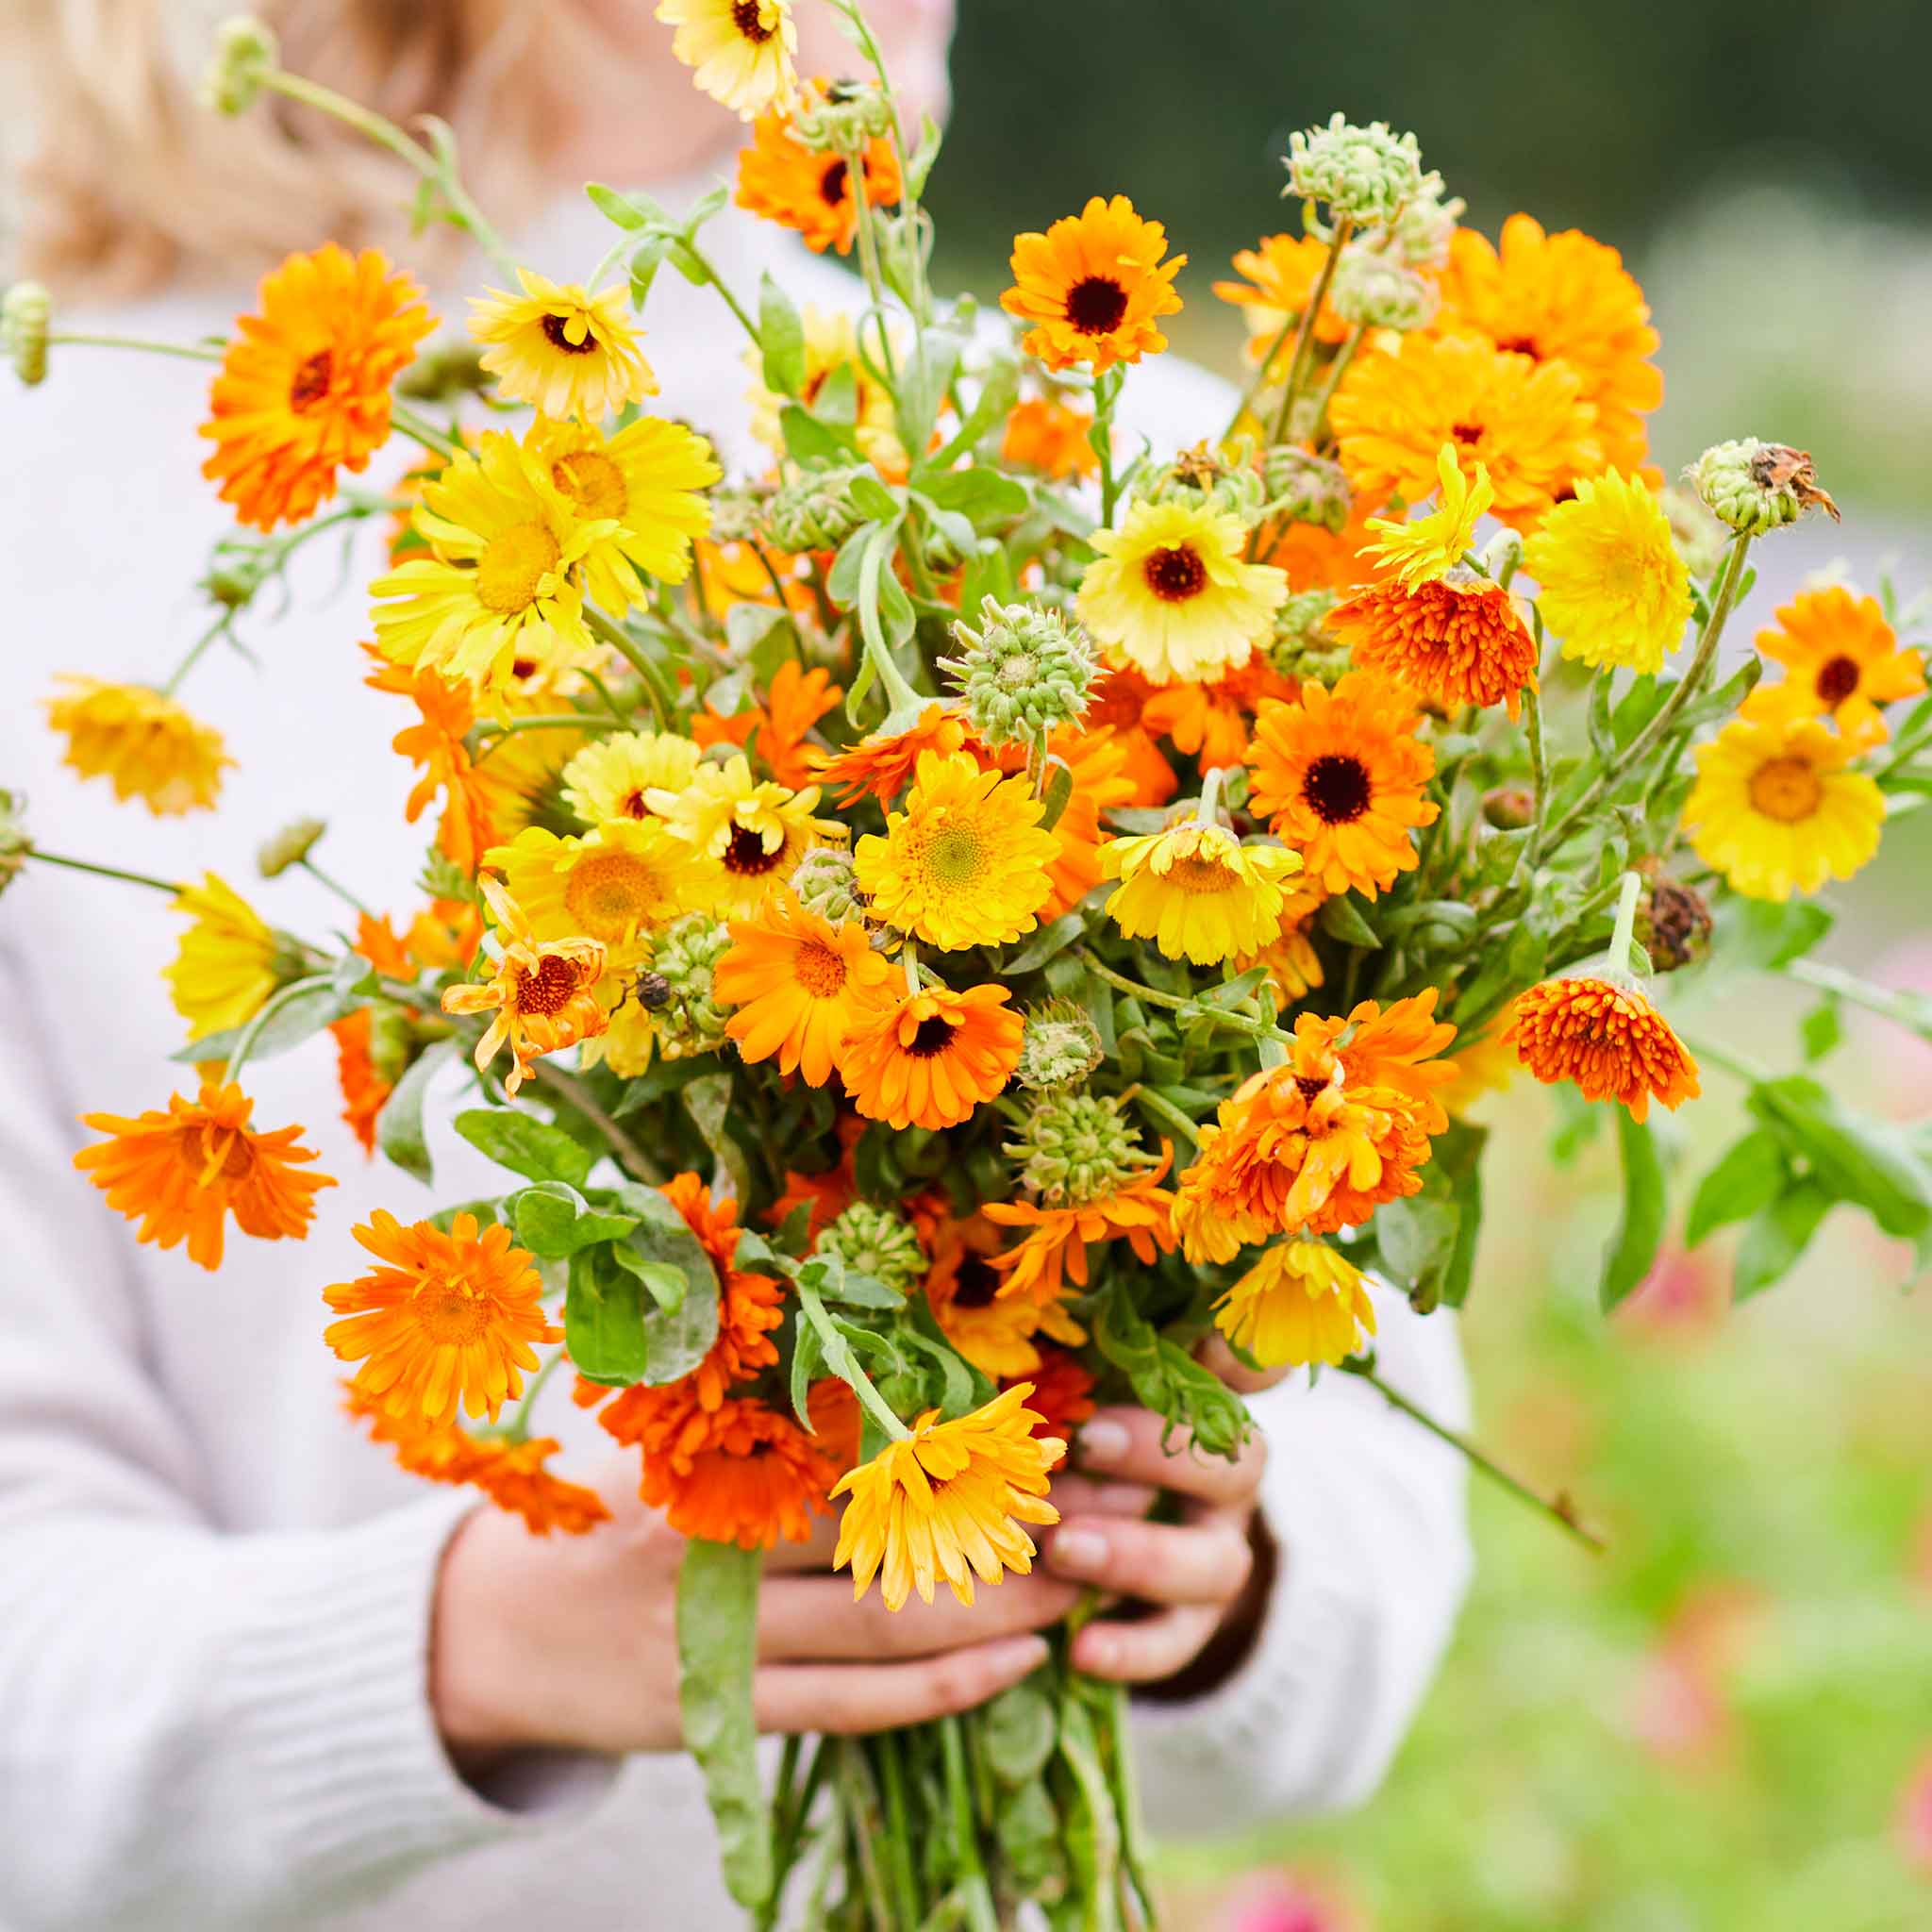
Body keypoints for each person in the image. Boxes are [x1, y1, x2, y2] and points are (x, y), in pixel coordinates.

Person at [0, 4, 1474, 1926]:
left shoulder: (1120, 478)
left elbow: (1362, 1550)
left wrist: (1203, 1571)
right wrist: (465, 1650)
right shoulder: (59, 529)